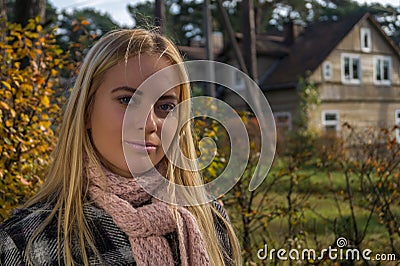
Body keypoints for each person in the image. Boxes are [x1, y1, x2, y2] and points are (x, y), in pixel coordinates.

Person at [0, 28, 241, 265]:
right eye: (127, 100)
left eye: (165, 107)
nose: (149, 123)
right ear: (86, 111)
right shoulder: (26, 243)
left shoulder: (208, 217)